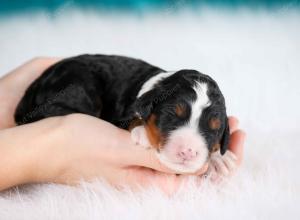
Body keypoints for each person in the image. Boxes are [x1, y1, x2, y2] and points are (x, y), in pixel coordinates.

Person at [0, 57, 246, 194]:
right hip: (75, 78)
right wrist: (53, 142)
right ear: (149, 107)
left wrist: (213, 155)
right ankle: (41, 120)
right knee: (80, 92)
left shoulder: (163, 96)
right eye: (174, 116)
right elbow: (130, 116)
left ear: (222, 134)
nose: (189, 148)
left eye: (211, 129)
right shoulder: (149, 99)